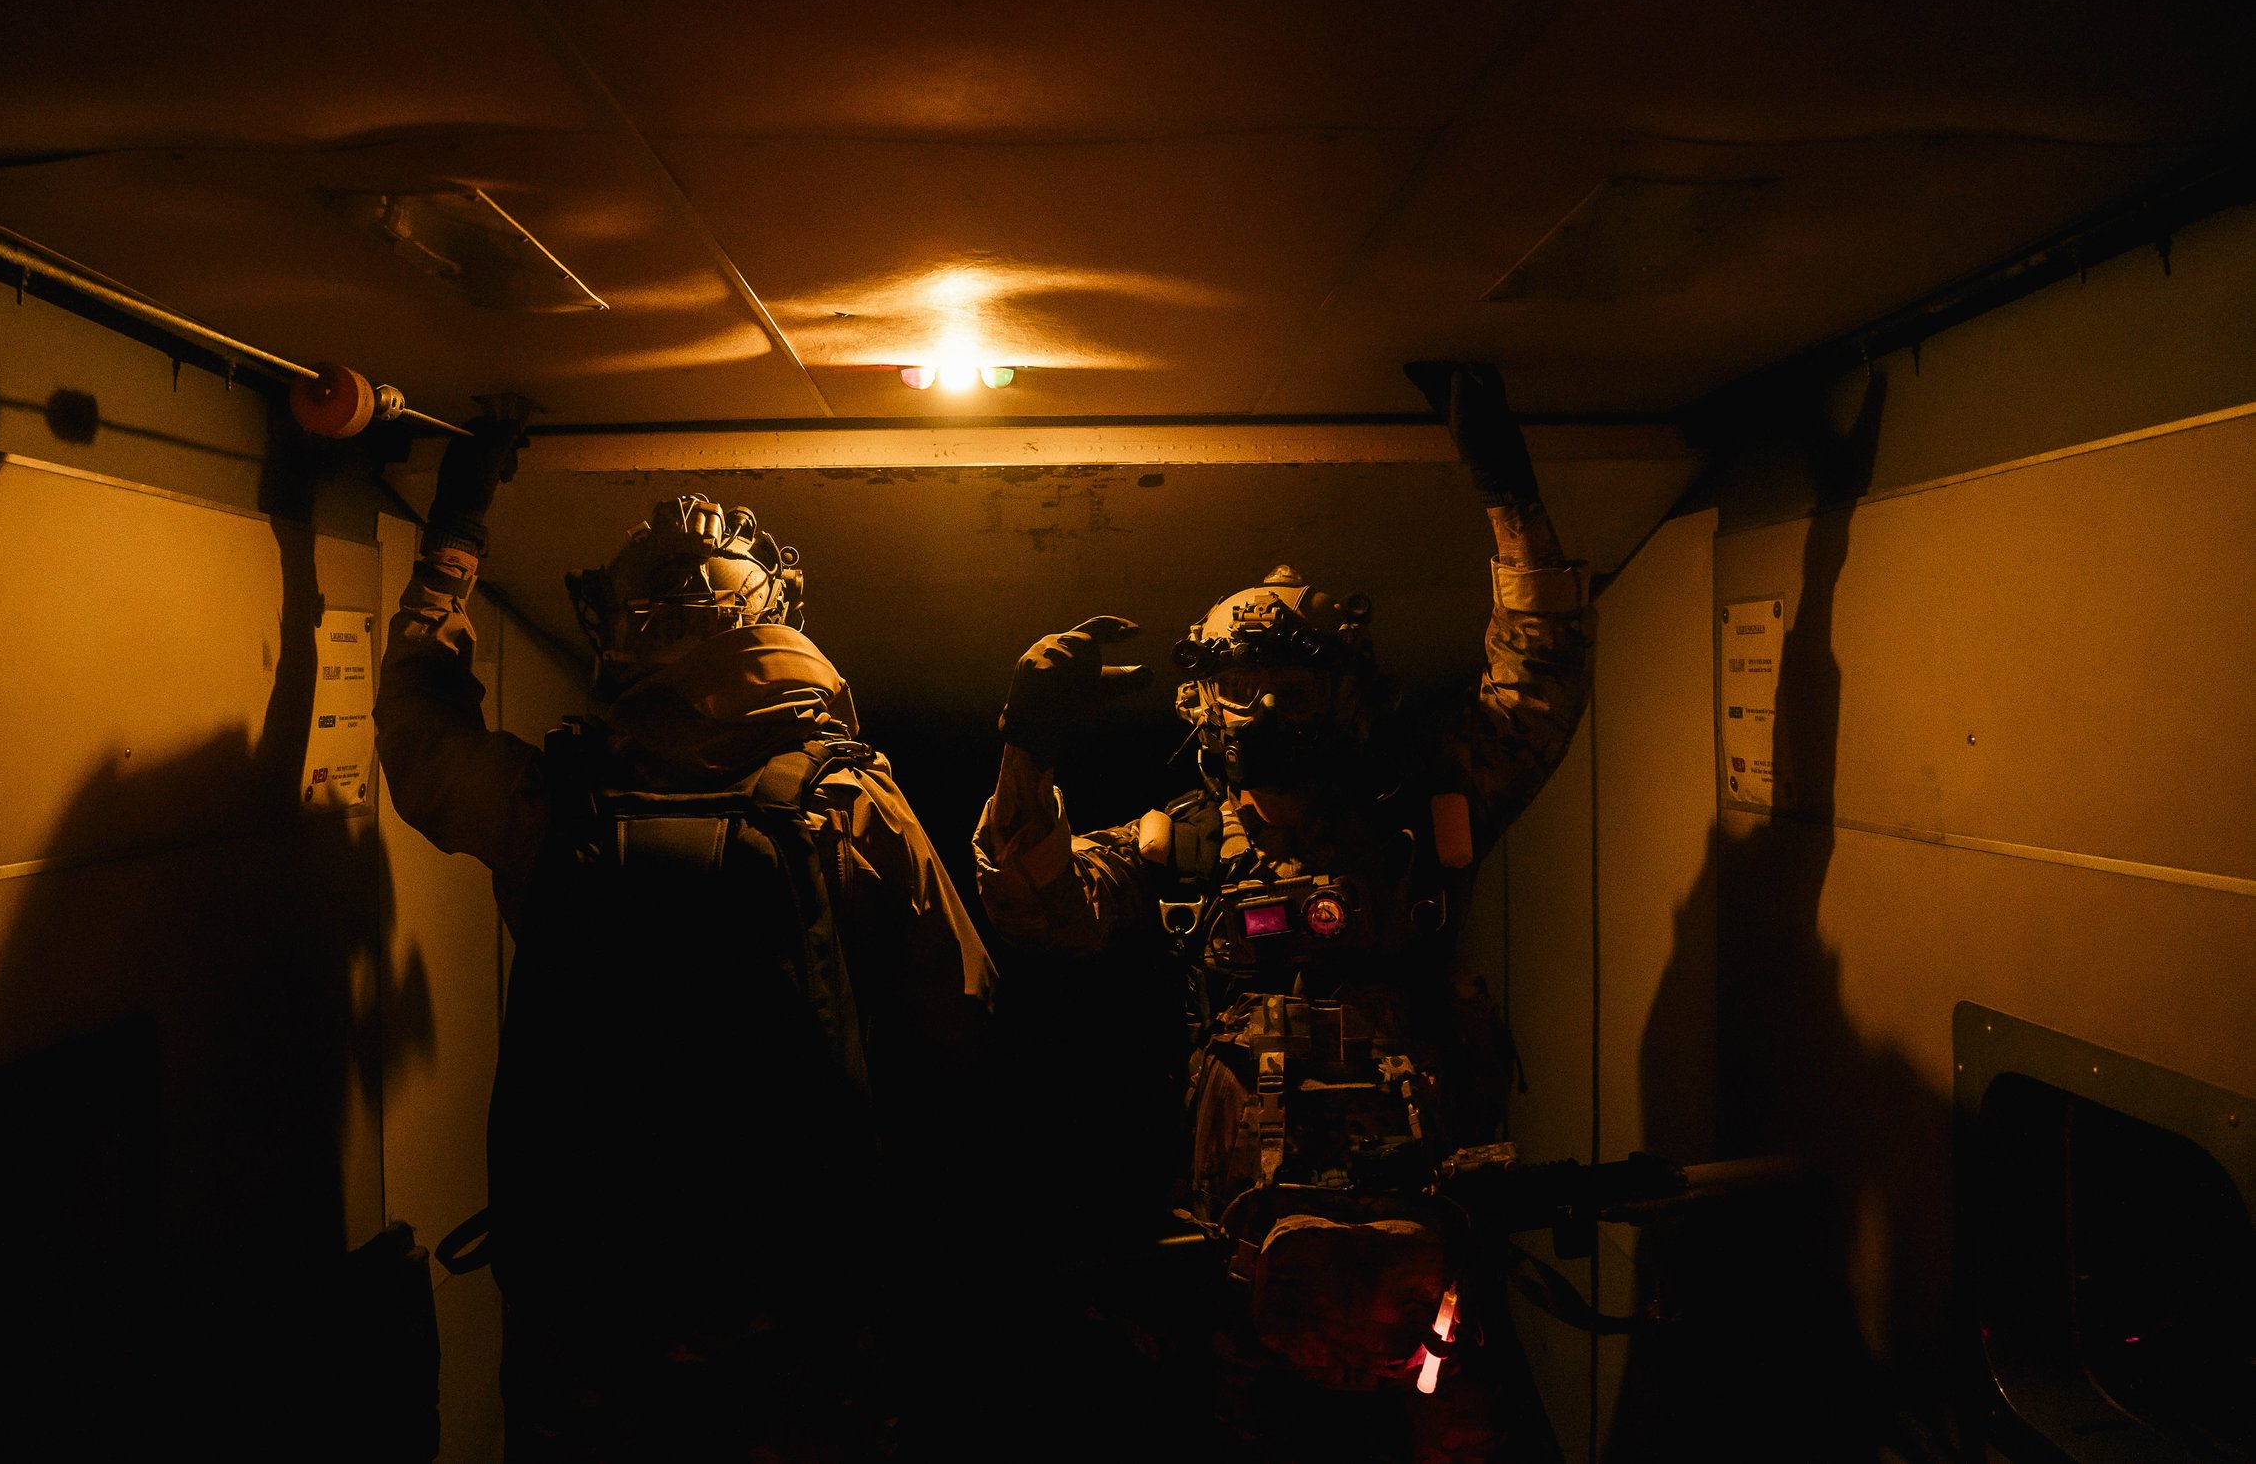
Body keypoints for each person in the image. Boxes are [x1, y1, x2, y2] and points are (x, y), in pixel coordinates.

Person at [973, 364, 1591, 1462]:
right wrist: (1026, 747)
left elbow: (1535, 685)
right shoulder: (1183, 843)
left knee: (1458, 1433)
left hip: (1425, 1235)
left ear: (1349, 693)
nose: (1262, 709)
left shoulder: (1420, 814)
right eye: (1239, 684)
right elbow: (1034, 911)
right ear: (1199, 699)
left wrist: (1509, 494)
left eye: (1291, 685)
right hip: (1239, 1245)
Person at [375, 420, 995, 1462]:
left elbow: (419, 735)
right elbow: (962, 1024)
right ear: (770, 620)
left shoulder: (555, 800)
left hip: (595, 1316)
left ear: (619, 630)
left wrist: (454, 537)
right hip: (800, 1310)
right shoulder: (851, 801)